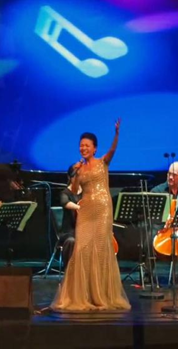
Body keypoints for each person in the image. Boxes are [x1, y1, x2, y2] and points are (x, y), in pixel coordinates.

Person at [51, 119, 131, 312]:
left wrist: (116, 134)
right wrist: (74, 173)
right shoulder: (79, 168)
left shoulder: (103, 162)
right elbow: (75, 190)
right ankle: (83, 294)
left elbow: (112, 150)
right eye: (81, 145)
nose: (83, 148)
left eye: (87, 145)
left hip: (102, 209)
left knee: (101, 248)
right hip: (85, 209)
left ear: (94, 148)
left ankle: (101, 294)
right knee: (82, 249)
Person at [58, 165, 81, 269]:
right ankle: (70, 271)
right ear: (69, 177)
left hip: (85, 230)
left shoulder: (87, 192)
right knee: (71, 241)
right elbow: (65, 202)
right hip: (69, 232)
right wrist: (80, 207)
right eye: (75, 176)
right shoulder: (65, 193)